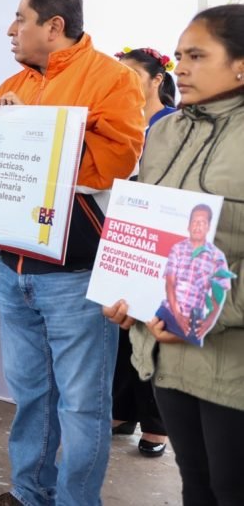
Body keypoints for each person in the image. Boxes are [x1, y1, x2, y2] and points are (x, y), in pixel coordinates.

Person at [0, 0, 144, 506]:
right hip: (14, 269)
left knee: (82, 407)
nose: (10, 29)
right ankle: (28, 493)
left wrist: (36, 130)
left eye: (20, 18)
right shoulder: (10, 85)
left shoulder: (112, 79)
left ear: (54, 26)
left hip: (77, 275)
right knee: (30, 398)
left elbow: (116, 163)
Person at [103, 4, 244, 506]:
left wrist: (201, 313)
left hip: (231, 364)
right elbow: (152, 228)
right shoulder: (164, 131)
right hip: (165, 354)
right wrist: (129, 293)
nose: (180, 67)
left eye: (198, 55)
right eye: (179, 55)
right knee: (196, 487)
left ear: (240, 65)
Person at [109, 46, 178, 455]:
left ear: (157, 79)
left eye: (132, 73)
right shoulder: (119, 120)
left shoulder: (172, 123)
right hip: (121, 231)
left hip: (159, 235)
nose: (123, 81)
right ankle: (123, 410)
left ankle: (156, 425)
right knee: (119, 321)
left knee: (151, 327)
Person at [153, 204, 230, 344]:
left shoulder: (217, 257)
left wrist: (210, 321)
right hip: (168, 310)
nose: (198, 226)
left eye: (202, 222)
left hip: (195, 319)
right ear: (188, 226)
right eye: (194, 221)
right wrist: (177, 314)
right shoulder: (177, 249)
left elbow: (219, 293)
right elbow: (170, 283)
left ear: (208, 227)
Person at [116, 47, 178, 135]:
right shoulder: (111, 123)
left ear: (157, 80)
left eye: (134, 75)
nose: (124, 81)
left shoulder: (179, 121)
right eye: (120, 75)